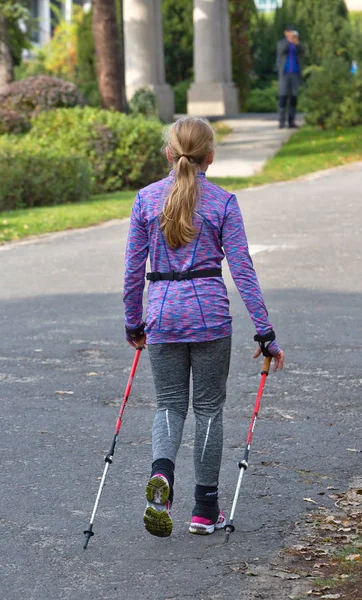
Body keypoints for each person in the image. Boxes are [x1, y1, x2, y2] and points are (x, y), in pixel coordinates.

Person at [123, 117, 284, 538]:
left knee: (169, 405)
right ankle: (203, 509)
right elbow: (243, 270)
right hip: (210, 317)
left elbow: (133, 270)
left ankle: (162, 474)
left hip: (162, 316)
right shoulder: (222, 202)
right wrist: (264, 332)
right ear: (210, 156)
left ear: (168, 153)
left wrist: (133, 321)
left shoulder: (145, 199)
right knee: (209, 410)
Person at [276, 25, 305, 129]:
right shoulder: (282, 43)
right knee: (282, 97)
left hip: (295, 74)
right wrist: (289, 41)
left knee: (294, 98)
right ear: (286, 33)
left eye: (292, 32)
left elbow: (303, 51)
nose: (291, 34)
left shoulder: (295, 44)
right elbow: (281, 50)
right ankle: (281, 121)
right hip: (284, 74)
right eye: (289, 32)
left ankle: (291, 121)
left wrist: (297, 43)